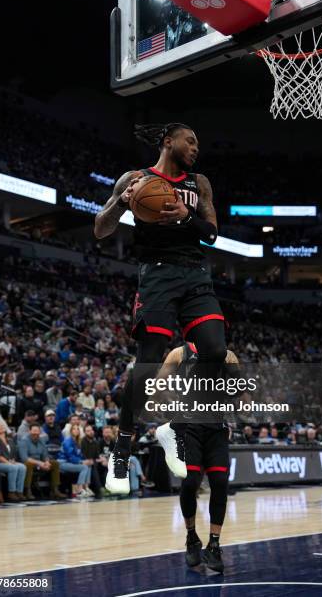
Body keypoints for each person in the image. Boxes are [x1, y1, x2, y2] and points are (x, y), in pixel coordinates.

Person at [94, 123, 227, 494]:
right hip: (157, 275)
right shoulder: (134, 179)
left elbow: (212, 233)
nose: (196, 147)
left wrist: (185, 216)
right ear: (169, 141)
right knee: (149, 360)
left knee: (215, 350)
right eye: (191, 140)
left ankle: (175, 428)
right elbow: (100, 229)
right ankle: (121, 448)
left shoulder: (199, 183)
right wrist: (122, 202)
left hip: (196, 275)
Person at [156, 342, 239, 573]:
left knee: (220, 483)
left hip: (216, 427)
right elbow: (159, 382)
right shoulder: (179, 353)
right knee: (191, 481)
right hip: (189, 427)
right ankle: (192, 537)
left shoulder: (228, 356)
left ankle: (214, 544)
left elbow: (241, 391)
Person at [17, 423, 67, 500]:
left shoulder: (41, 440)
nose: (35, 433)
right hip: (28, 463)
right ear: (29, 431)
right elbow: (24, 458)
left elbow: (45, 455)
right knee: (28, 464)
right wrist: (40, 463)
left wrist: (46, 462)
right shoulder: (24, 441)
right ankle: (27, 491)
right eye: (34, 431)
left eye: (37, 431)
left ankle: (55, 490)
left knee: (55, 463)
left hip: (40, 463)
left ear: (40, 432)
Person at [0, 423, 27, 502]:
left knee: (22, 467)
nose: (1, 427)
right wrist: (9, 463)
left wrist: (13, 460)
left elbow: (13, 454)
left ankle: (19, 491)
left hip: (8, 461)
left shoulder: (10, 440)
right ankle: (11, 492)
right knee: (13, 468)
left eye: (2, 426)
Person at [58, 424, 93, 498]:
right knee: (84, 467)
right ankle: (79, 490)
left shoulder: (77, 442)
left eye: (77, 429)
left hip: (70, 463)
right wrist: (81, 462)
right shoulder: (67, 441)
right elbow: (70, 457)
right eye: (74, 429)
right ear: (71, 431)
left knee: (88, 465)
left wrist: (86, 460)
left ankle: (86, 487)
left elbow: (79, 455)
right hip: (63, 463)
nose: (76, 430)